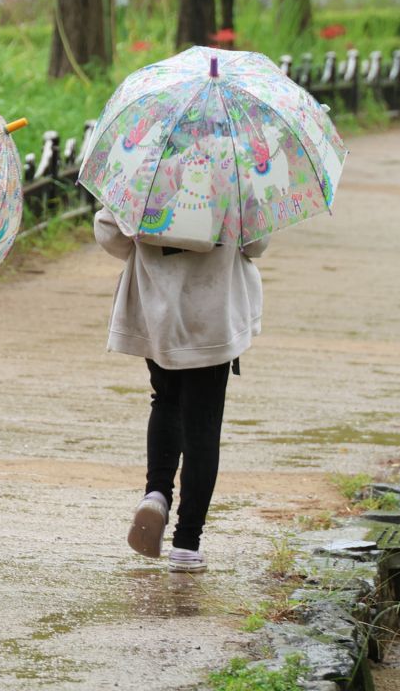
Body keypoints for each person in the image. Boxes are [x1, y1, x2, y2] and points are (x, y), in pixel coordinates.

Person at [93, 207, 268, 573]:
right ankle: (187, 544)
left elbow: (109, 229)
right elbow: (256, 243)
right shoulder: (233, 179)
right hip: (214, 314)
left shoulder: (145, 178)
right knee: (203, 425)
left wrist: (147, 248)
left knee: (165, 399)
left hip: (157, 310)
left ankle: (157, 492)